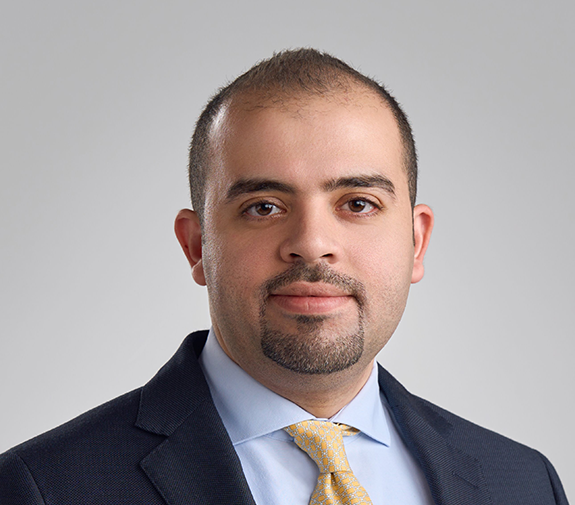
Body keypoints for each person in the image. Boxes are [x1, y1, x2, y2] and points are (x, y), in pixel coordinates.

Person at [0, 49, 568, 505]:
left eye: (359, 203)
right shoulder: (43, 488)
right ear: (197, 246)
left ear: (416, 242)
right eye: (264, 207)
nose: (312, 242)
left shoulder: (524, 484)